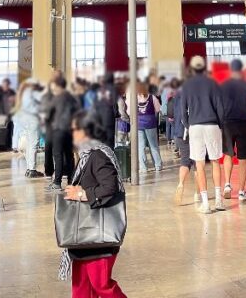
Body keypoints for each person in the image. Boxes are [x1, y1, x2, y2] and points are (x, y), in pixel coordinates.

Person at [58, 109, 127, 298]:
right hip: (83, 237)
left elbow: (110, 187)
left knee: (101, 285)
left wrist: (82, 193)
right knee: (81, 289)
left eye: (74, 130)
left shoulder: (98, 155)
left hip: (99, 237)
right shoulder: (85, 156)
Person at [180, 55, 225, 214]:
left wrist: (188, 125)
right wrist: (219, 125)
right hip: (212, 124)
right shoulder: (213, 83)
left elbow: (182, 110)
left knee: (199, 164)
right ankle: (219, 200)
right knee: (215, 162)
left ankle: (205, 204)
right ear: (204, 67)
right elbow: (220, 107)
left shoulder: (187, 85)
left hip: (196, 126)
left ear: (192, 69)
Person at [220, 59, 246, 200]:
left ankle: (227, 184)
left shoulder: (223, 86)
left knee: (228, 154)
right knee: (243, 158)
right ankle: (241, 191)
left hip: (227, 124)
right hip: (243, 123)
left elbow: (219, 106)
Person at [46, 77, 80, 191]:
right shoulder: (72, 98)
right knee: (69, 156)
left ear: (57, 85)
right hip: (69, 130)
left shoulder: (56, 98)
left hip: (58, 131)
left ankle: (57, 183)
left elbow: (48, 115)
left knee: (58, 156)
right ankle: (71, 181)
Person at [168, 82, 196, 206]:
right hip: (193, 131)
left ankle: (180, 184)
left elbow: (170, 114)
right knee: (197, 163)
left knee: (185, 161)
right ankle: (198, 193)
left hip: (179, 133)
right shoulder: (193, 95)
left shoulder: (175, 96)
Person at [13, 79, 45, 177]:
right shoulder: (31, 93)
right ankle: (32, 170)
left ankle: (29, 169)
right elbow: (41, 102)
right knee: (33, 144)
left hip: (25, 121)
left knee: (28, 145)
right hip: (32, 120)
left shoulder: (22, 94)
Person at [135, 81, 163, 173]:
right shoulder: (152, 97)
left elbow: (129, 111)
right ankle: (158, 165)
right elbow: (158, 109)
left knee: (141, 147)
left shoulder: (135, 98)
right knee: (153, 145)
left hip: (139, 124)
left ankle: (143, 167)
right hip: (150, 123)